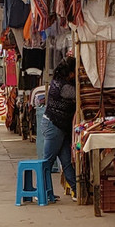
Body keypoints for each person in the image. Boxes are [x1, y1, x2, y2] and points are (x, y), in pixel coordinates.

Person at [42, 57, 77, 200]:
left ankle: (77, 190)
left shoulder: (59, 82)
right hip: (54, 125)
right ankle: (44, 193)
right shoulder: (65, 87)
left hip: (59, 126)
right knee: (48, 161)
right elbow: (78, 94)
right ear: (70, 72)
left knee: (66, 161)